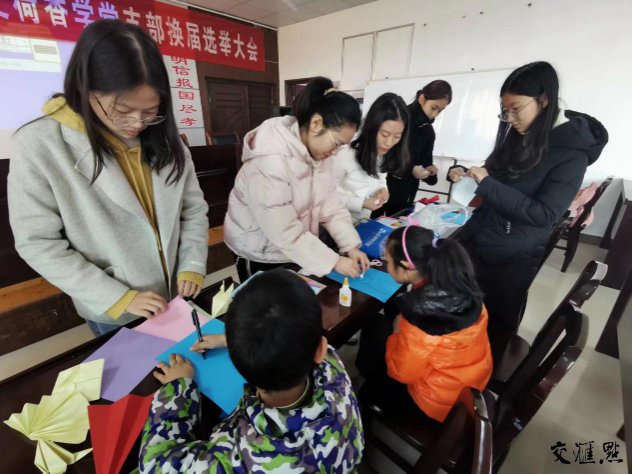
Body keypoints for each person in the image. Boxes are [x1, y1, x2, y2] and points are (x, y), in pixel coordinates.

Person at [7, 20, 209, 338]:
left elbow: (193, 209)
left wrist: (192, 262)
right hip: (115, 307)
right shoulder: (40, 144)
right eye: (123, 111)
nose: (137, 123)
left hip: (176, 295)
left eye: (150, 111)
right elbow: (38, 242)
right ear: (85, 89)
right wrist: (118, 297)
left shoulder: (166, 139)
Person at [139, 269, 364, 473]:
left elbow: (154, 465)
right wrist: (236, 339)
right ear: (320, 349)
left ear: (237, 367)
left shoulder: (237, 454)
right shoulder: (331, 365)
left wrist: (179, 389)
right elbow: (294, 340)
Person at [447, 61, 608, 335]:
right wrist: (465, 173)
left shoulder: (572, 154)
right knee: (461, 314)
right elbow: (496, 171)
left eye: (516, 109)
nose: (510, 118)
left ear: (543, 100)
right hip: (482, 236)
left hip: (509, 256)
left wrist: (487, 183)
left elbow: (544, 214)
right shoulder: (524, 134)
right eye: (505, 111)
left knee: (488, 326)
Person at [224, 77, 370, 283]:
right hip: (260, 251)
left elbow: (331, 205)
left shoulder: (319, 154)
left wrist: (350, 246)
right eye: (336, 143)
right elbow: (283, 230)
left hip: (295, 248)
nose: (336, 152)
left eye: (341, 146)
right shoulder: (270, 161)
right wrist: (334, 261)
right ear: (316, 123)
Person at [356, 226, 492, 422]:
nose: (387, 265)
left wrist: (396, 331)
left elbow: (402, 374)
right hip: (469, 378)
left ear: (405, 266)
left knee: (374, 325)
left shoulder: (422, 318)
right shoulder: (460, 283)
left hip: (436, 402)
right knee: (392, 310)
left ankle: (366, 387)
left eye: (388, 261)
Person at [333, 93, 410, 223]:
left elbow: (380, 178)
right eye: (384, 134)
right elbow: (324, 195)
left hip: (361, 223)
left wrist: (381, 189)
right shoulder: (345, 154)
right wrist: (361, 203)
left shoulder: (382, 153)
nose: (389, 143)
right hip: (335, 224)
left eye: (397, 136)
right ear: (371, 128)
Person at [383, 80, 452, 216]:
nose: (435, 114)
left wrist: (429, 171)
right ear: (422, 99)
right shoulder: (399, 120)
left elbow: (426, 161)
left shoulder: (428, 130)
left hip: (407, 192)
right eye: (433, 108)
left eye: (440, 111)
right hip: (383, 187)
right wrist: (411, 169)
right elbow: (384, 156)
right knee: (375, 223)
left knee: (400, 221)